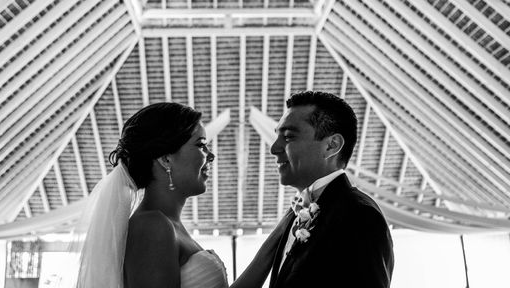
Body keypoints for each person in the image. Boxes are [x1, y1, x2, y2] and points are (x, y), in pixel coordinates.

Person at [71, 101, 282, 288]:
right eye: (201, 145)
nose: (211, 155)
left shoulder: (168, 224)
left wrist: (279, 236)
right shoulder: (152, 225)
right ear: (165, 159)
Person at [267, 90, 394, 288]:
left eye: (289, 137)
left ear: (331, 145)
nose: (274, 148)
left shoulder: (359, 215)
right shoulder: (295, 215)